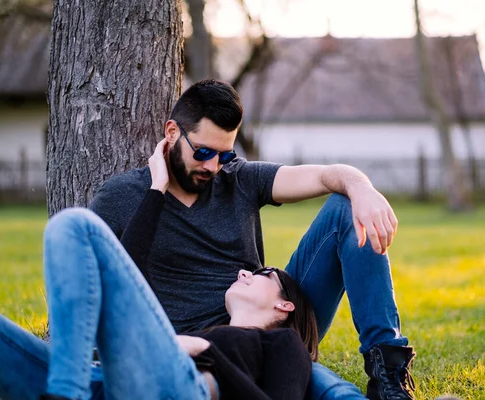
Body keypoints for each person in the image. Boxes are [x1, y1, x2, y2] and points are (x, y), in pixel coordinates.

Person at [90, 79, 416, 400]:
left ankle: (388, 375)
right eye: (202, 152)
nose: (213, 166)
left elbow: (323, 175)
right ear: (172, 132)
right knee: (324, 388)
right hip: (198, 350)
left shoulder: (240, 179)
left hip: (269, 328)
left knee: (344, 207)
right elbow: (102, 283)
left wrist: (361, 187)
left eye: (224, 155)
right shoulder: (121, 197)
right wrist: (157, 189)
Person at [0, 139, 319, 400]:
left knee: (75, 223)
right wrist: (157, 189)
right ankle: (70, 386)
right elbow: (130, 274)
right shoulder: (210, 331)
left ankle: (66, 392)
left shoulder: (283, 343)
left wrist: (204, 352)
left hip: (177, 387)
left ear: (283, 305)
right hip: (104, 381)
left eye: (261, 274)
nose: (245, 271)